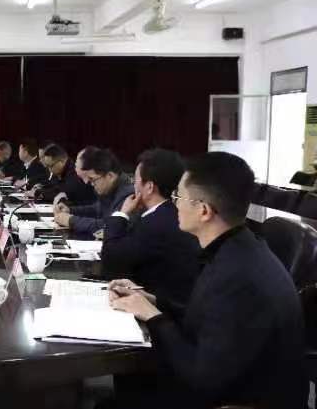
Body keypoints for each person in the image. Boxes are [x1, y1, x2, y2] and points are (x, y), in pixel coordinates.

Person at [109, 152, 307, 409]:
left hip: (236, 400)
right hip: (229, 382)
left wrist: (154, 317)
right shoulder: (240, 247)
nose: (174, 205)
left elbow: (200, 378)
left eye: (178, 197)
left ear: (203, 210)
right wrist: (154, 302)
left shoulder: (237, 276)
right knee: (125, 387)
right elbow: (209, 318)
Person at [100, 149, 200, 312]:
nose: (133, 185)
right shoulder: (164, 213)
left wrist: (122, 214)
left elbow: (112, 260)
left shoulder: (158, 222)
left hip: (165, 310)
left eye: (135, 180)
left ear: (149, 187)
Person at [55, 148, 133, 235]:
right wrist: (70, 210)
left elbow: (107, 225)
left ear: (110, 176)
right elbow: (97, 209)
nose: (91, 184)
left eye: (93, 179)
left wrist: (71, 220)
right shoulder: (110, 188)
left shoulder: (127, 195)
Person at [30, 143, 96, 205]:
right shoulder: (59, 172)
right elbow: (53, 188)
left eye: (51, 166)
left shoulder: (74, 172)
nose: (49, 169)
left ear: (61, 162)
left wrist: (41, 193)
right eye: (48, 167)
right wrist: (40, 191)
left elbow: (64, 192)